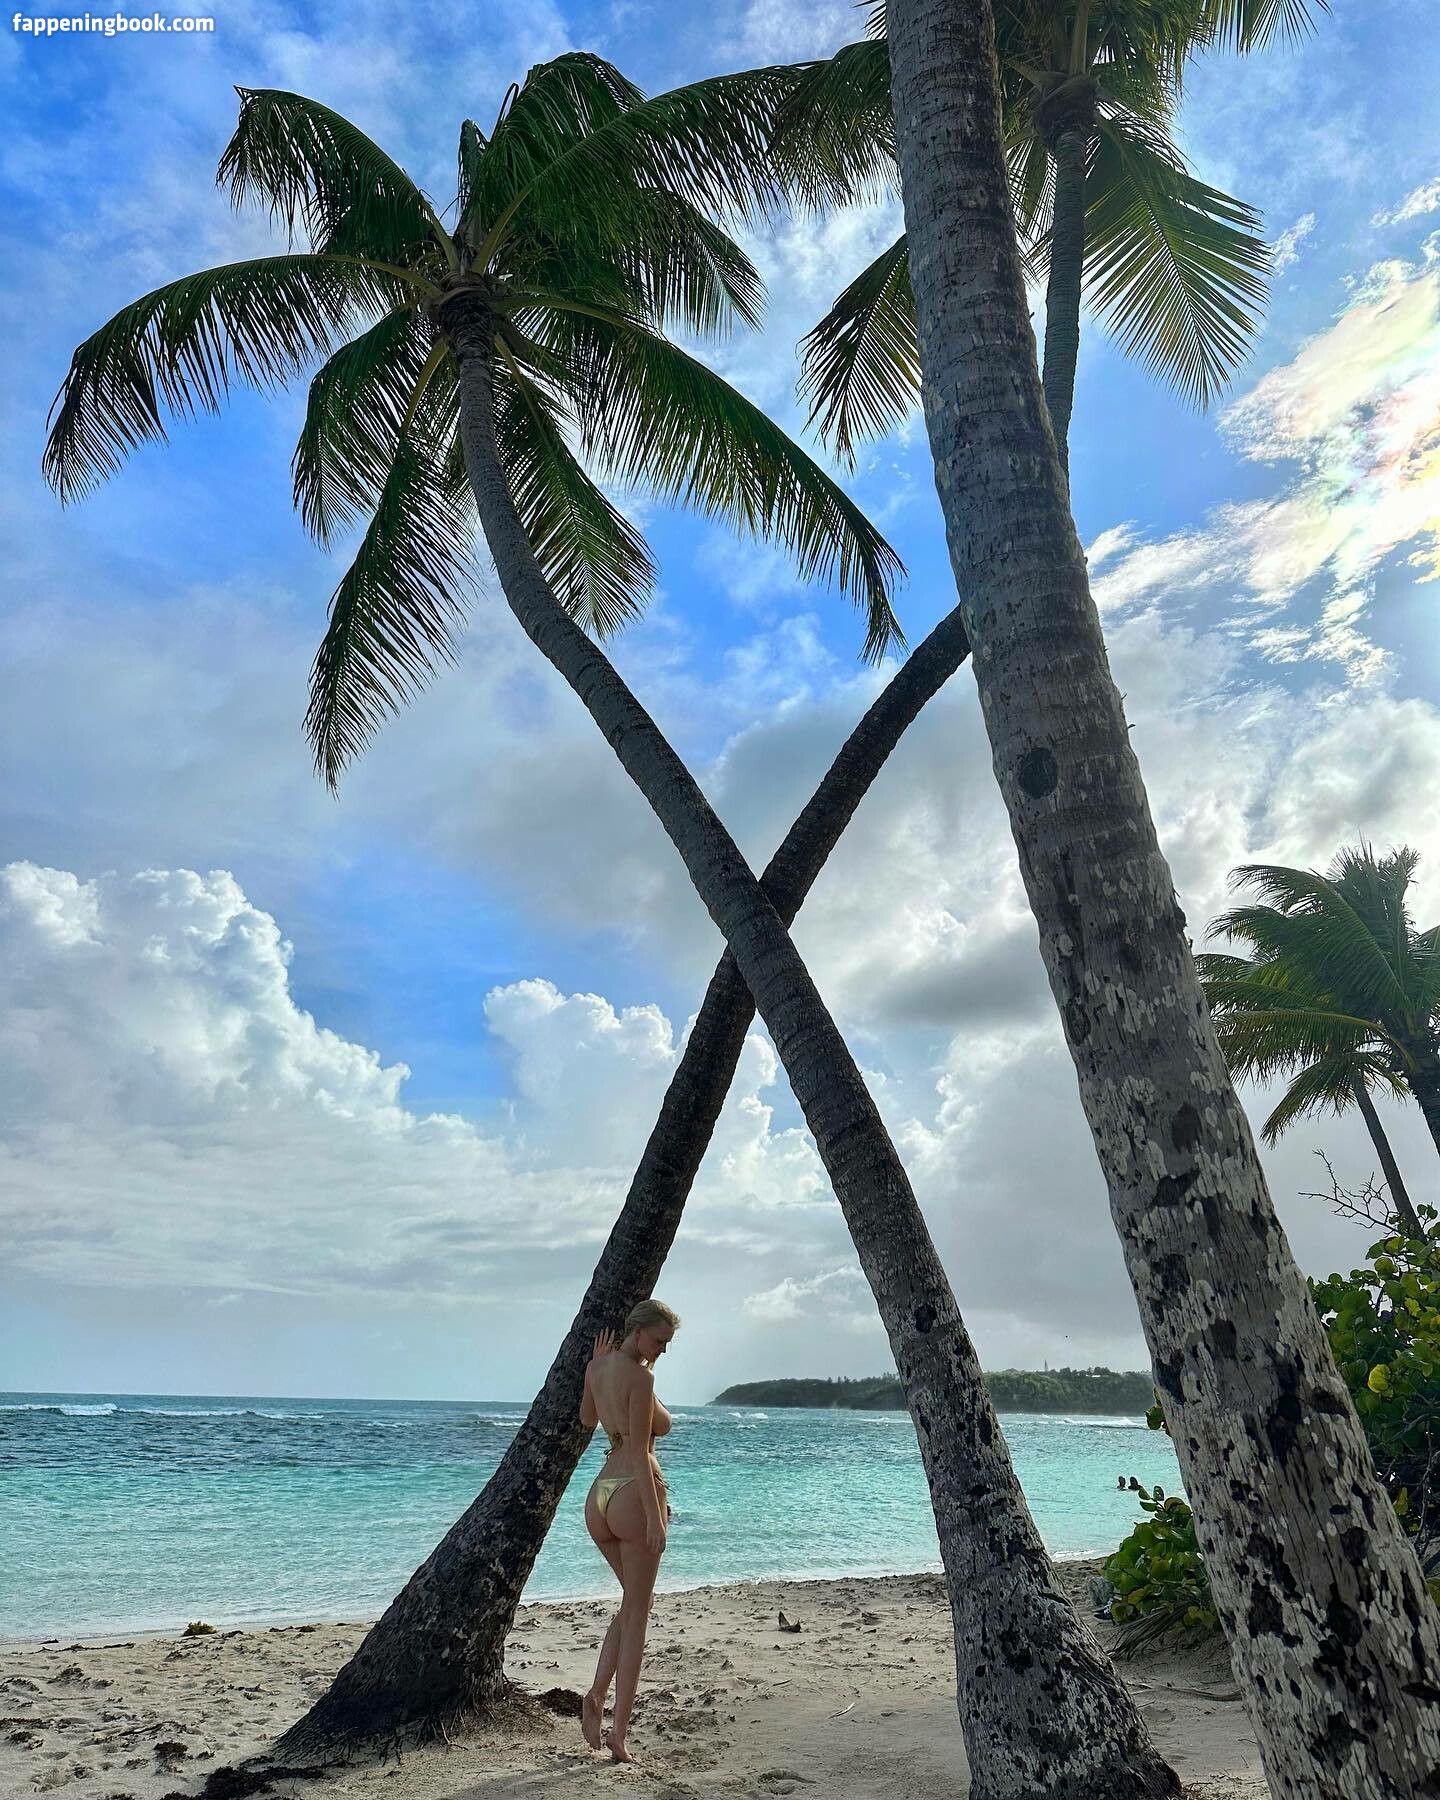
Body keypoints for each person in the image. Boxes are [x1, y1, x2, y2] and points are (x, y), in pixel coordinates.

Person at [578, 1297, 678, 1762]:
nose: (662, 1349)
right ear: (637, 1331)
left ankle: (597, 1694)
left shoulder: (598, 1368)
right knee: (637, 1615)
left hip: (599, 1496)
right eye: (659, 1340)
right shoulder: (641, 1378)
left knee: (636, 1601)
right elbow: (640, 1450)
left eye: (668, 1343)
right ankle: (619, 1733)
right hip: (635, 1493)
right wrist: (656, 1518)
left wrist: (599, 1367)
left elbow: (587, 1419)